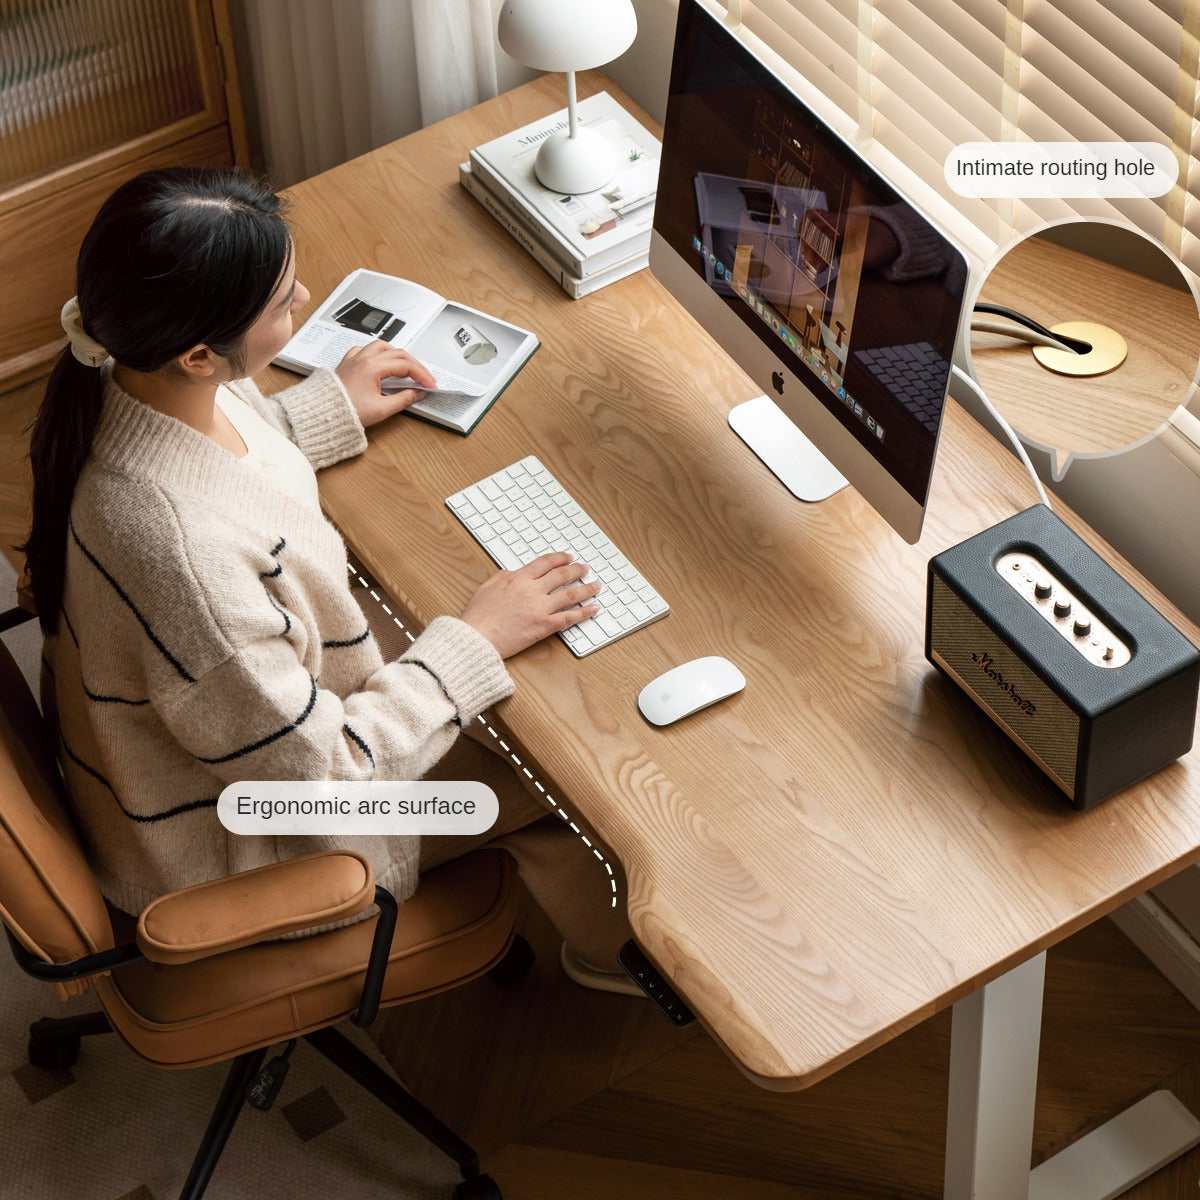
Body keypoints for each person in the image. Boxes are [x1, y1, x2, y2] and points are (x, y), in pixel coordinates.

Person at [22, 166, 633, 983]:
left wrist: (321, 410)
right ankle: (615, 960)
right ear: (202, 355)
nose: (305, 297)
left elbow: (217, 465)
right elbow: (329, 778)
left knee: (513, 696)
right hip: (255, 845)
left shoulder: (123, 375)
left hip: (222, 741)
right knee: (575, 789)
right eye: (281, 302)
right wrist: (472, 641)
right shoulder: (184, 563)